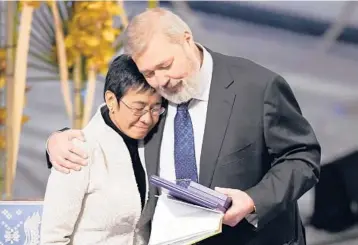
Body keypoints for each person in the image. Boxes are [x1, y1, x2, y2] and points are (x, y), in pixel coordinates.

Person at [45, 8, 321, 245]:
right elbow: (108, 124)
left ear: (187, 40)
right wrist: (56, 141)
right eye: (149, 73)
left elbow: (302, 157)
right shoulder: (151, 98)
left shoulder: (257, 87)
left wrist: (253, 200)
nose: (161, 80)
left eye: (166, 65)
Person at [40, 55, 165, 245]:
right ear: (111, 100)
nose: (147, 118)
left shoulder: (153, 142)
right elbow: (52, 239)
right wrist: (52, 141)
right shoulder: (78, 151)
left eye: (156, 108)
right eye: (138, 108)